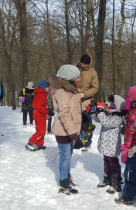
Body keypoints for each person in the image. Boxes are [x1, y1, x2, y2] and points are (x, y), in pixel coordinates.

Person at [49, 64, 82, 195]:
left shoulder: (71, 90)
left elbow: (73, 107)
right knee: (65, 158)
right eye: (77, 76)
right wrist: (72, 132)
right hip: (64, 131)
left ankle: (67, 178)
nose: (79, 79)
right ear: (69, 78)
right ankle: (63, 183)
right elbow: (64, 113)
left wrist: (86, 104)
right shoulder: (62, 91)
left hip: (71, 129)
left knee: (68, 156)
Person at [89, 95, 126, 194]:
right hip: (105, 143)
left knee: (113, 163)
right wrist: (93, 109)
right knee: (106, 161)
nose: (107, 104)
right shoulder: (108, 113)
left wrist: (100, 111)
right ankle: (107, 178)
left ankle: (116, 182)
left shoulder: (118, 116)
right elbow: (99, 119)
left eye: (110, 102)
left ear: (116, 105)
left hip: (113, 145)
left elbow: (106, 123)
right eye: (108, 102)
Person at [76, 54, 99, 151]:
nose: (83, 65)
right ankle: (76, 140)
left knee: (87, 121)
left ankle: (87, 142)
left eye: (85, 64)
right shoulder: (75, 68)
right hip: (74, 99)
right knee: (76, 121)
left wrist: (84, 94)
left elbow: (95, 88)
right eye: (82, 63)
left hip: (86, 100)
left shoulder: (92, 73)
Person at [25, 80, 54, 151]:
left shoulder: (41, 94)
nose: (48, 88)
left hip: (41, 114)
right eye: (47, 87)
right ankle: (30, 143)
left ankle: (39, 144)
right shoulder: (41, 94)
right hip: (39, 114)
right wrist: (48, 111)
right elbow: (39, 106)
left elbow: (40, 106)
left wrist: (47, 110)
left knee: (42, 130)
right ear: (43, 87)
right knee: (41, 131)